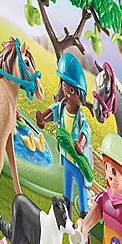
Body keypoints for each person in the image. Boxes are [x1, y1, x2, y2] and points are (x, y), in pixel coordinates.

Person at [35, 51, 92, 219]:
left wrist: (80, 144)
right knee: (67, 187)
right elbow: (52, 112)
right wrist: (42, 119)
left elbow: (86, 130)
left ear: (80, 95)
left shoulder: (80, 118)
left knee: (81, 189)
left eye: (72, 90)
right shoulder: (61, 108)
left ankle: (84, 219)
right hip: (67, 157)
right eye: (65, 86)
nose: (67, 92)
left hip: (78, 162)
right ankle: (66, 213)